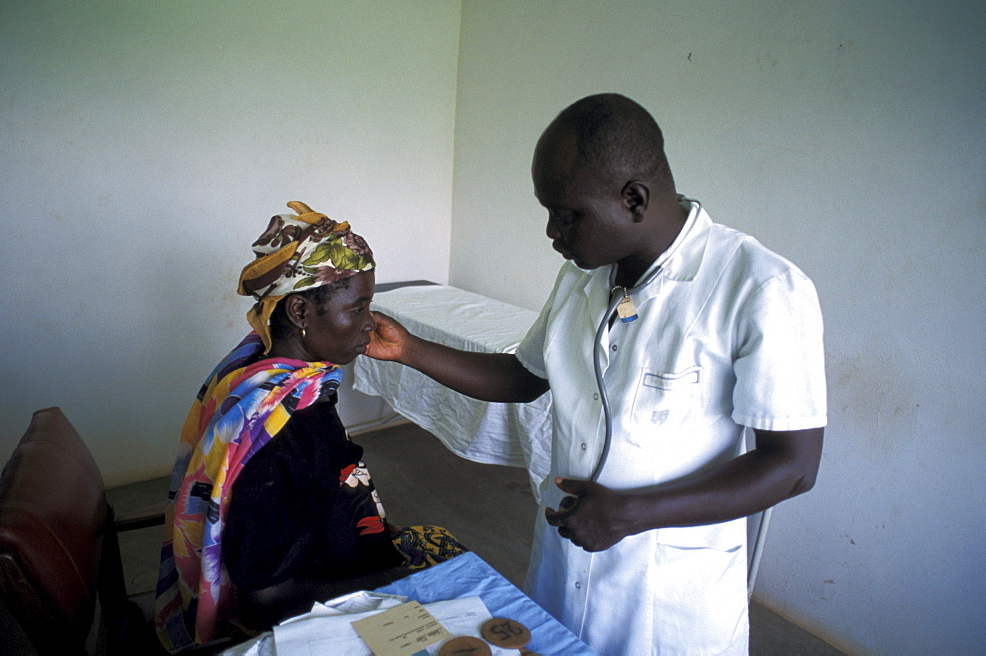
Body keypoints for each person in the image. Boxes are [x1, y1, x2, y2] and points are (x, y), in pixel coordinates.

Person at [365, 94, 827, 654]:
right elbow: (523, 377)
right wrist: (408, 349)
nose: (551, 231)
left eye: (566, 213)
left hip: (667, 592)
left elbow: (793, 466)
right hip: (565, 558)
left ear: (633, 199)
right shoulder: (583, 277)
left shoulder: (759, 287)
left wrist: (633, 512)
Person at [153, 202, 465, 652]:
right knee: (462, 578)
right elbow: (266, 597)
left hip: (327, 551)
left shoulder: (260, 373)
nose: (371, 325)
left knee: (446, 549)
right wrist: (402, 583)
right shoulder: (283, 428)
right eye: (358, 309)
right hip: (300, 606)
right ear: (300, 311)